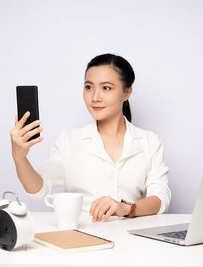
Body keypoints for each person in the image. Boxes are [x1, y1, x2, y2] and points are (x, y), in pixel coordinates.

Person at [10, 53, 171, 222]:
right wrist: (19, 158)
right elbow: (39, 189)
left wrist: (125, 208)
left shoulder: (149, 141)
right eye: (89, 87)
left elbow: (161, 199)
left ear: (127, 93)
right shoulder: (69, 140)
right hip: (82, 238)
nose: (95, 97)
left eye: (106, 88)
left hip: (131, 239)